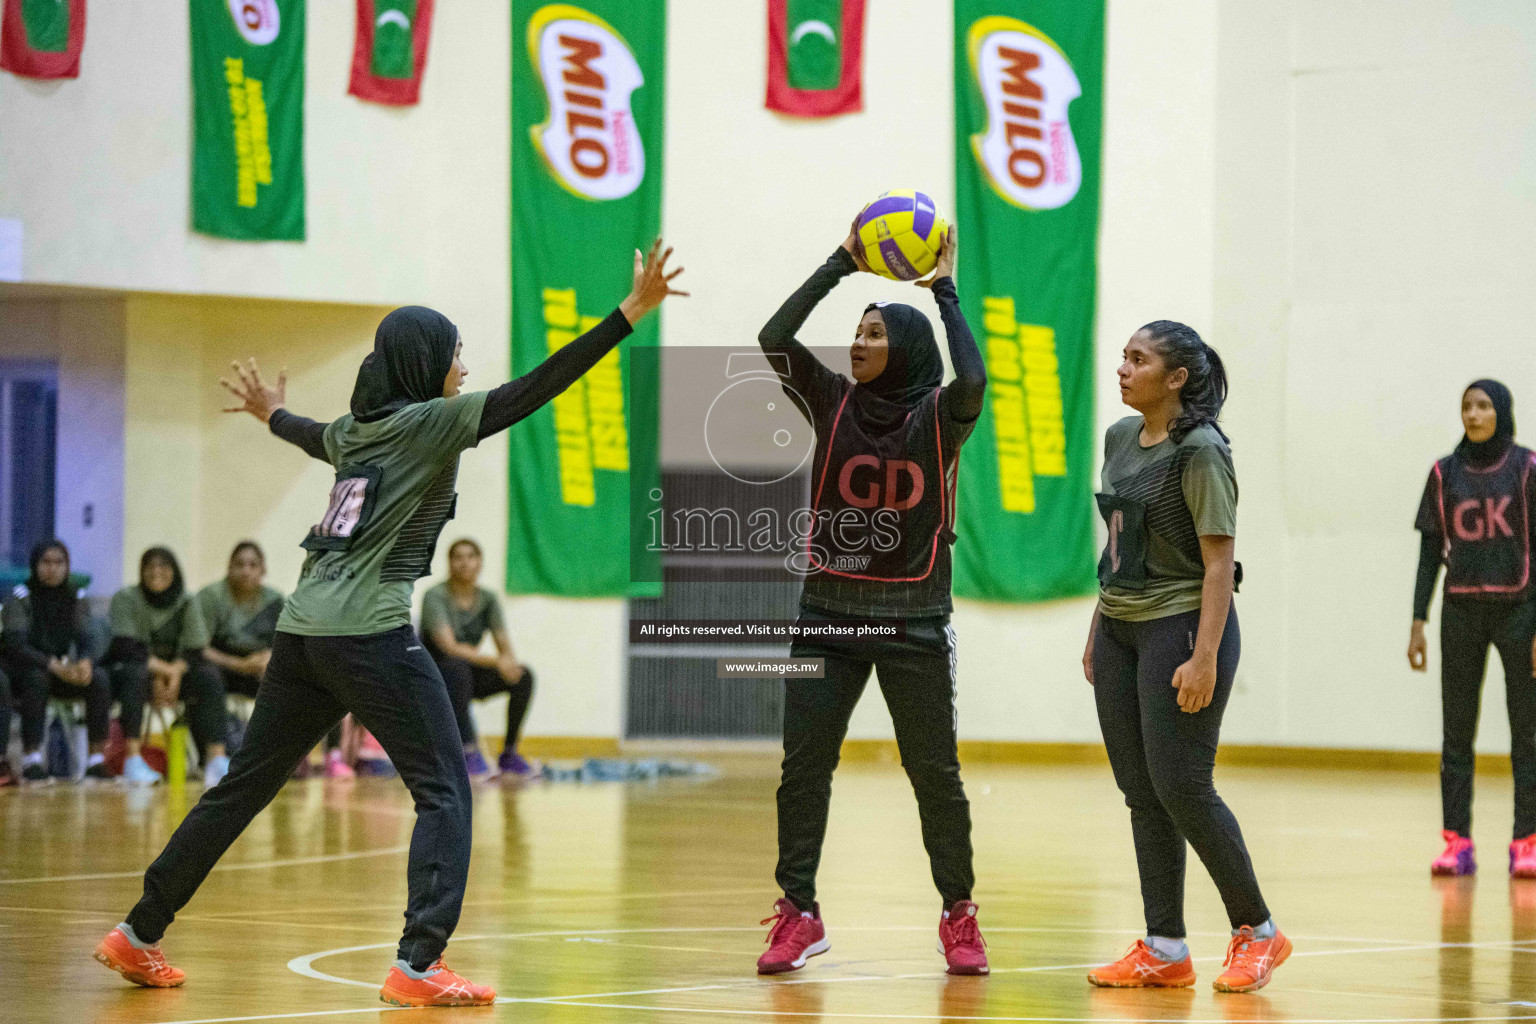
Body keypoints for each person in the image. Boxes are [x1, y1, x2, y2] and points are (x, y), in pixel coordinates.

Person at [92, 240, 685, 1007]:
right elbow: (532, 392)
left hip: (303, 631)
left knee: (241, 787)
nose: (465, 370)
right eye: (457, 355)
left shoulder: (356, 431)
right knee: (445, 789)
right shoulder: (430, 423)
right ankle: (417, 964)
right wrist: (629, 314)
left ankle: (137, 933)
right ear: (425, 364)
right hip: (369, 632)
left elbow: (313, 434)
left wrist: (271, 412)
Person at [752, 221, 989, 976]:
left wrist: (944, 289)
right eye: (857, 330)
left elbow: (975, 378)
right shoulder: (829, 398)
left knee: (935, 776)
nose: (856, 342)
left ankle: (959, 913)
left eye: (874, 332)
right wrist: (841, 265)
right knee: (802, 769)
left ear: (908, 347)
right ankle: (799, 912)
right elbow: (774, 333)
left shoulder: (942, 416)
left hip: (915, 620)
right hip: (825, 616)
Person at [1082, 322, 1288, 993]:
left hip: (1181, 627)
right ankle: (1165, 948)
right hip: (1121, 628)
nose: (1122, 368)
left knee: (1183, 787)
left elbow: (1219, 562)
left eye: (1138, 360)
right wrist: (1098, 625)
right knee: (1141, 792)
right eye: (1123, 357)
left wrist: (1204, 658)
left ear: (1175, 379)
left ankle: (1258, 931)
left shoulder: (1199, 451)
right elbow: (1121, 542)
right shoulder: (1118, 438)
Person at [1408, 380, 1536, 877]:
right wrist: (1417, 620)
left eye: (1483, 406)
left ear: (1501, 412)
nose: (1474, 414)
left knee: (1526, 732)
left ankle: (1526, 840)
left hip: (1521, 609)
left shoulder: (1527, 469)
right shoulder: (1444, 473)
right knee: (1456, 731)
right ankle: (1456, 840)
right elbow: (1427, 556)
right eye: (1467, 406)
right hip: (1461, 611)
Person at [104, 548, 230, 788]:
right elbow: (125, 647)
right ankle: (132, 760)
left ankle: (216, 760)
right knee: (135, 673)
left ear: (175, 571)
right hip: (134, 674)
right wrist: (164, 671)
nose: (156, 571)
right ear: (141, 571)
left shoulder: (186, 600)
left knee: (210, 676)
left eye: (163, 565)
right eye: (149, 566)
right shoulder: (126, 598)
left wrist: (174, 672)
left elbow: (195, 649)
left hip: (175, 678)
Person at [421, 538, 537, 780]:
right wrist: (497, 662)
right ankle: (468, 751)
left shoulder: (488, 599)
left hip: (466, 673)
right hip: (435, 676)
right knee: (458, 669)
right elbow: (449, 647)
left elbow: (503, 643)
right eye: (458, 557)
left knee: (523, 676)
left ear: (480, 562)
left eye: (471, 556)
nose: (465, 563)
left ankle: (509, 753)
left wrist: (509, 664)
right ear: (449, 563)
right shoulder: (435, 596)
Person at [2, 540, 112, 782]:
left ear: (67, 566)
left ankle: (96, 760)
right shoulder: (21, 596)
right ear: (35, 565)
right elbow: (15, 645)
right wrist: (52, 665)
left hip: (63, 671)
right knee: (36, 678)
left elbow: (89, 637)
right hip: (27, 672)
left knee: (99, 678)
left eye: (59, 562)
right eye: (46, 562)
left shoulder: (76, 596)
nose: (52, 568)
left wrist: (85, 661)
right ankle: (32, 760)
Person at [196, 540, 284, 703]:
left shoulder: (275, 601)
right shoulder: (210, 596)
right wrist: (239, 664)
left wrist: (270, 658)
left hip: (258, 666)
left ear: (263, 570)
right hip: (221, 666)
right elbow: (199, 648)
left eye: (253, 565)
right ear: (229, 568)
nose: (246, 571)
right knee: (205, 676)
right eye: (239, 564)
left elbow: (286, 645)